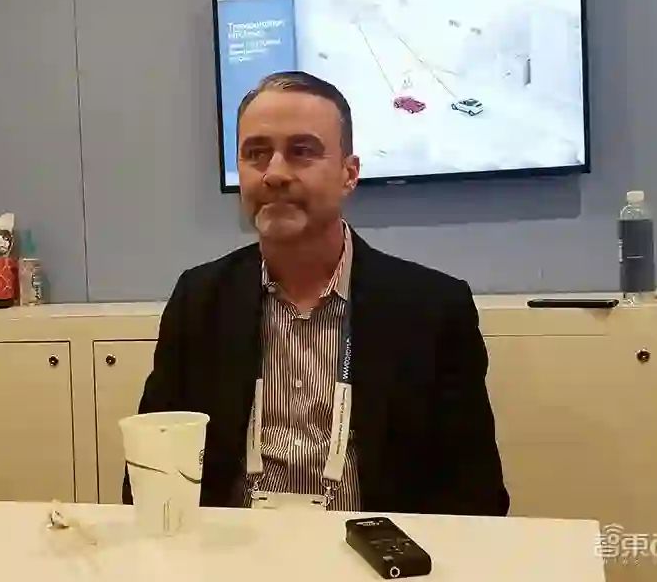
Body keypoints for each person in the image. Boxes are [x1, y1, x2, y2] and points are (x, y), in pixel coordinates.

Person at [122, 71, 509, 516]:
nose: (275, 173)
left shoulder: (433, 309)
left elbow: (476, 497)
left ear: (349, 174)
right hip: (230, 548)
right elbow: (150, 473)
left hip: (374, 549)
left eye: (302, 151)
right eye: (256, 153)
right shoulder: (200, 300)